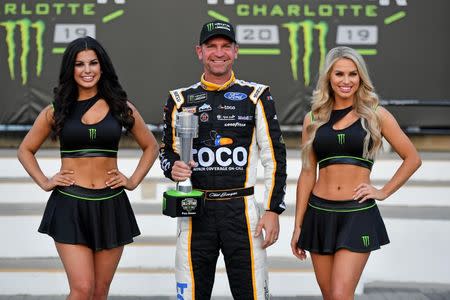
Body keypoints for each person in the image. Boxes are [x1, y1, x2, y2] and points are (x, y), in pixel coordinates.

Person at [17, 36, 159, 299]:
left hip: (111, 205)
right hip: (70, 205)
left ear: (102, 67)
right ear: (71, 69)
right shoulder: (56, 110)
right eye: (79, 64)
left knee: (99, 291)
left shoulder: (121, 107)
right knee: (82, 289)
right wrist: (46, 181)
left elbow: (151, 146)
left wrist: (132, 180)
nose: (87, 70)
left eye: (93, 63)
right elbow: (25, 149)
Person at [159, 20, 287, 299]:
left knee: (252, 294)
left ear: (236, 51)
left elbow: (274, 156)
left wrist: (273, 209)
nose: (219, 53)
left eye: (225, 46)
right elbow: (166, 152)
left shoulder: (256, 95)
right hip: (194, 210)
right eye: (211, 46)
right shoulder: (179, 99)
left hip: (241, 211)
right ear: (199, 52)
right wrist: (173, 168)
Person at [290, 46, 422, 299]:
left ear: (361, 77)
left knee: (341, 295)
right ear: (329, 77)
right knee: (330, 295)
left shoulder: (376, 115)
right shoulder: (313, 119)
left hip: (356, 214)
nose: (346, 81)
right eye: (339, 74)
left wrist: (382, 191)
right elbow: (308, 174)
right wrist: (298, 225)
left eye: (353, 74)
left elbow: (412, 158)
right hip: (319, 215)